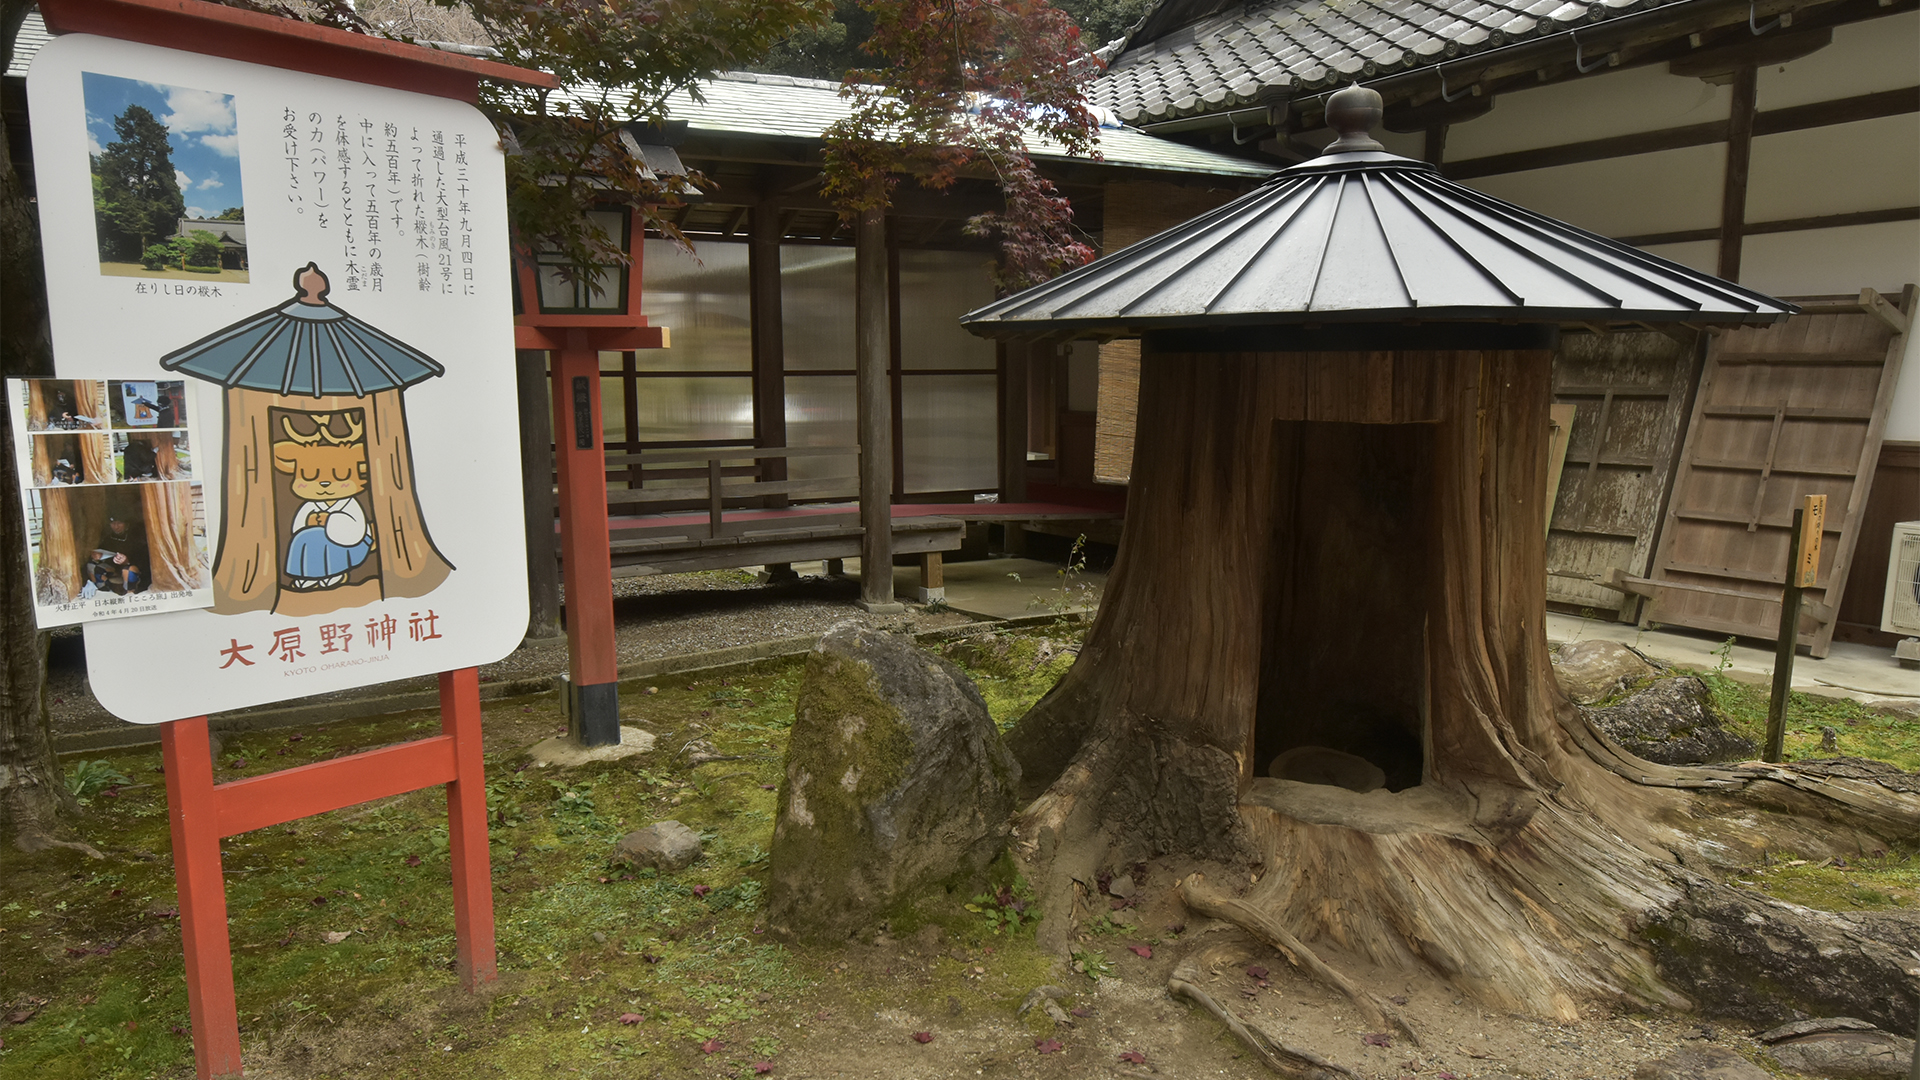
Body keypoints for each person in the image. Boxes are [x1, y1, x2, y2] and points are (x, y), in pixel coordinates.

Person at [85, 513, 151, 596]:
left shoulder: (136, 537)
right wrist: (98, 556)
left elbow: (144, 558)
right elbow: (105, 553)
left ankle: (130, 594)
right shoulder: (109, 538)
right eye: (113, 523)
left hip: (135, 569)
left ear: (126, 524)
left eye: (119, 523)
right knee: (92, 565)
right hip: (115, 569)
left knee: (128, 570)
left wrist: (127, 561)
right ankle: (105, 592)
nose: (116, 526)